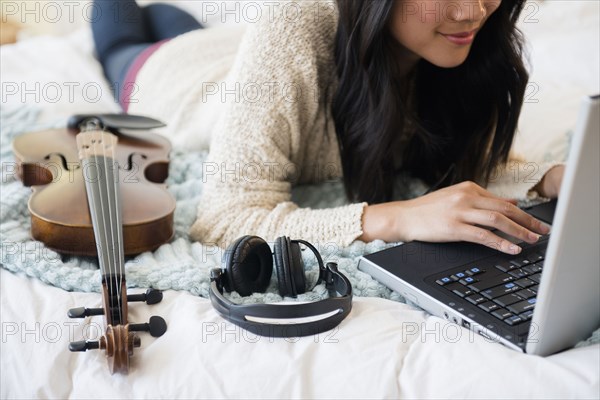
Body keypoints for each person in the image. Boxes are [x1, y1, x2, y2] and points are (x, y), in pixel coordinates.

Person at [92, 0, 564, 254]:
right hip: (168, 77)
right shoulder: (295, 19)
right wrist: (399, 216)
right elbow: (225, 218)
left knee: (174, 17)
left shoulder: (458, 42)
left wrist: (549, 178)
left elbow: (459, 159)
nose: (474, 10)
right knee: (121, 20)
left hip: (234, 51)